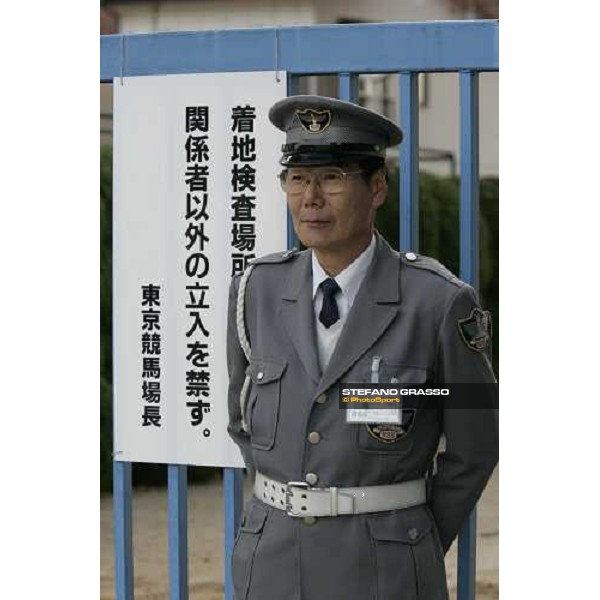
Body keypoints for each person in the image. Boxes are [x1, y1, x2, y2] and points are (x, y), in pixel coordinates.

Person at [226, 95, 498, 600]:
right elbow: (243, 421)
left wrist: (409, 539)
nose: (310, 198)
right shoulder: (254, 290)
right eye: (297, 179)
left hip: (385, 568)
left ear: (376, 188)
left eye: (331, 177)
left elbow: (476, 440)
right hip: (269, 566)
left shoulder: (438, 302)